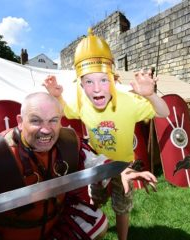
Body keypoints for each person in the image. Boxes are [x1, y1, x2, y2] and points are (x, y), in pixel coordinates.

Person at [0, 92, 157, 240]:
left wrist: (122, 170)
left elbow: (95, 161)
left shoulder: (67, 142)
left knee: (97, 223)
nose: (46, 130)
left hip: (53, 223)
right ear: (20, 121)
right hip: (11, 235)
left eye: (53, 120)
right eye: (36, 121)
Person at [43, 28, 169, 240]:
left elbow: (163, 112)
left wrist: (151, 95)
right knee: (95, 200)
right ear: (81, 85)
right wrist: (56, 97)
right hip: (97, 166)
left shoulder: (129, 102)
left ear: (112, 80)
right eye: (89, 82)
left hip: (124, 166)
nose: (97, 88)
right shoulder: (81, 103)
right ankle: (94, 229)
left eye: (103, 80)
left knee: (122, 207)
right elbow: (65, 110)